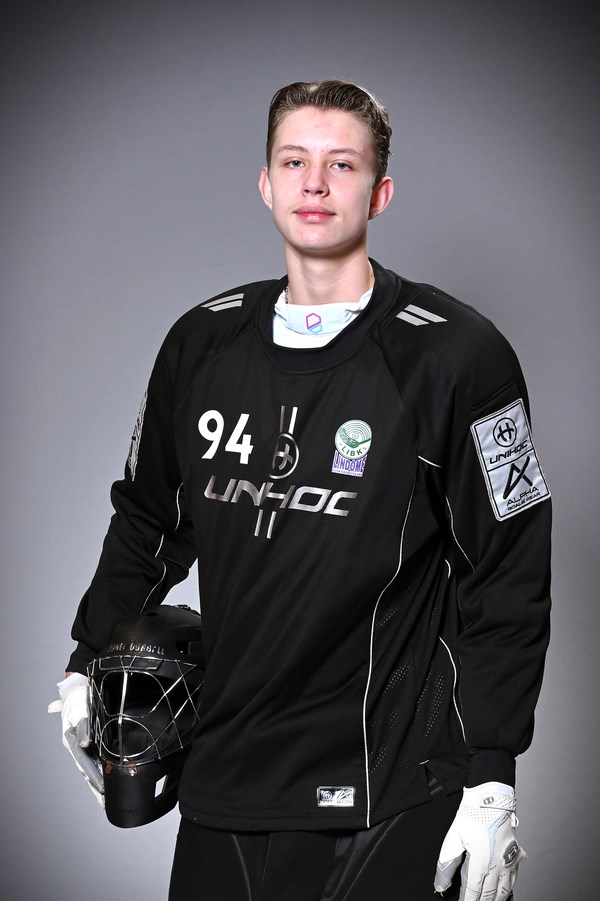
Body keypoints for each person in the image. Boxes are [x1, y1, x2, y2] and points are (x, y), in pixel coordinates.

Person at [51, 80, 551, 900]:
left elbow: (509, 568)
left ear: (379, 193)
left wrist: (494, 771)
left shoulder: (457, 356)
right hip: (225, 784)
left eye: (341, 164)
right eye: (294, 161)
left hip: (390, 792)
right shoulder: (201, 343)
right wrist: (88, 657)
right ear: (265, 182)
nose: (315, 183)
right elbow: (147, 517)